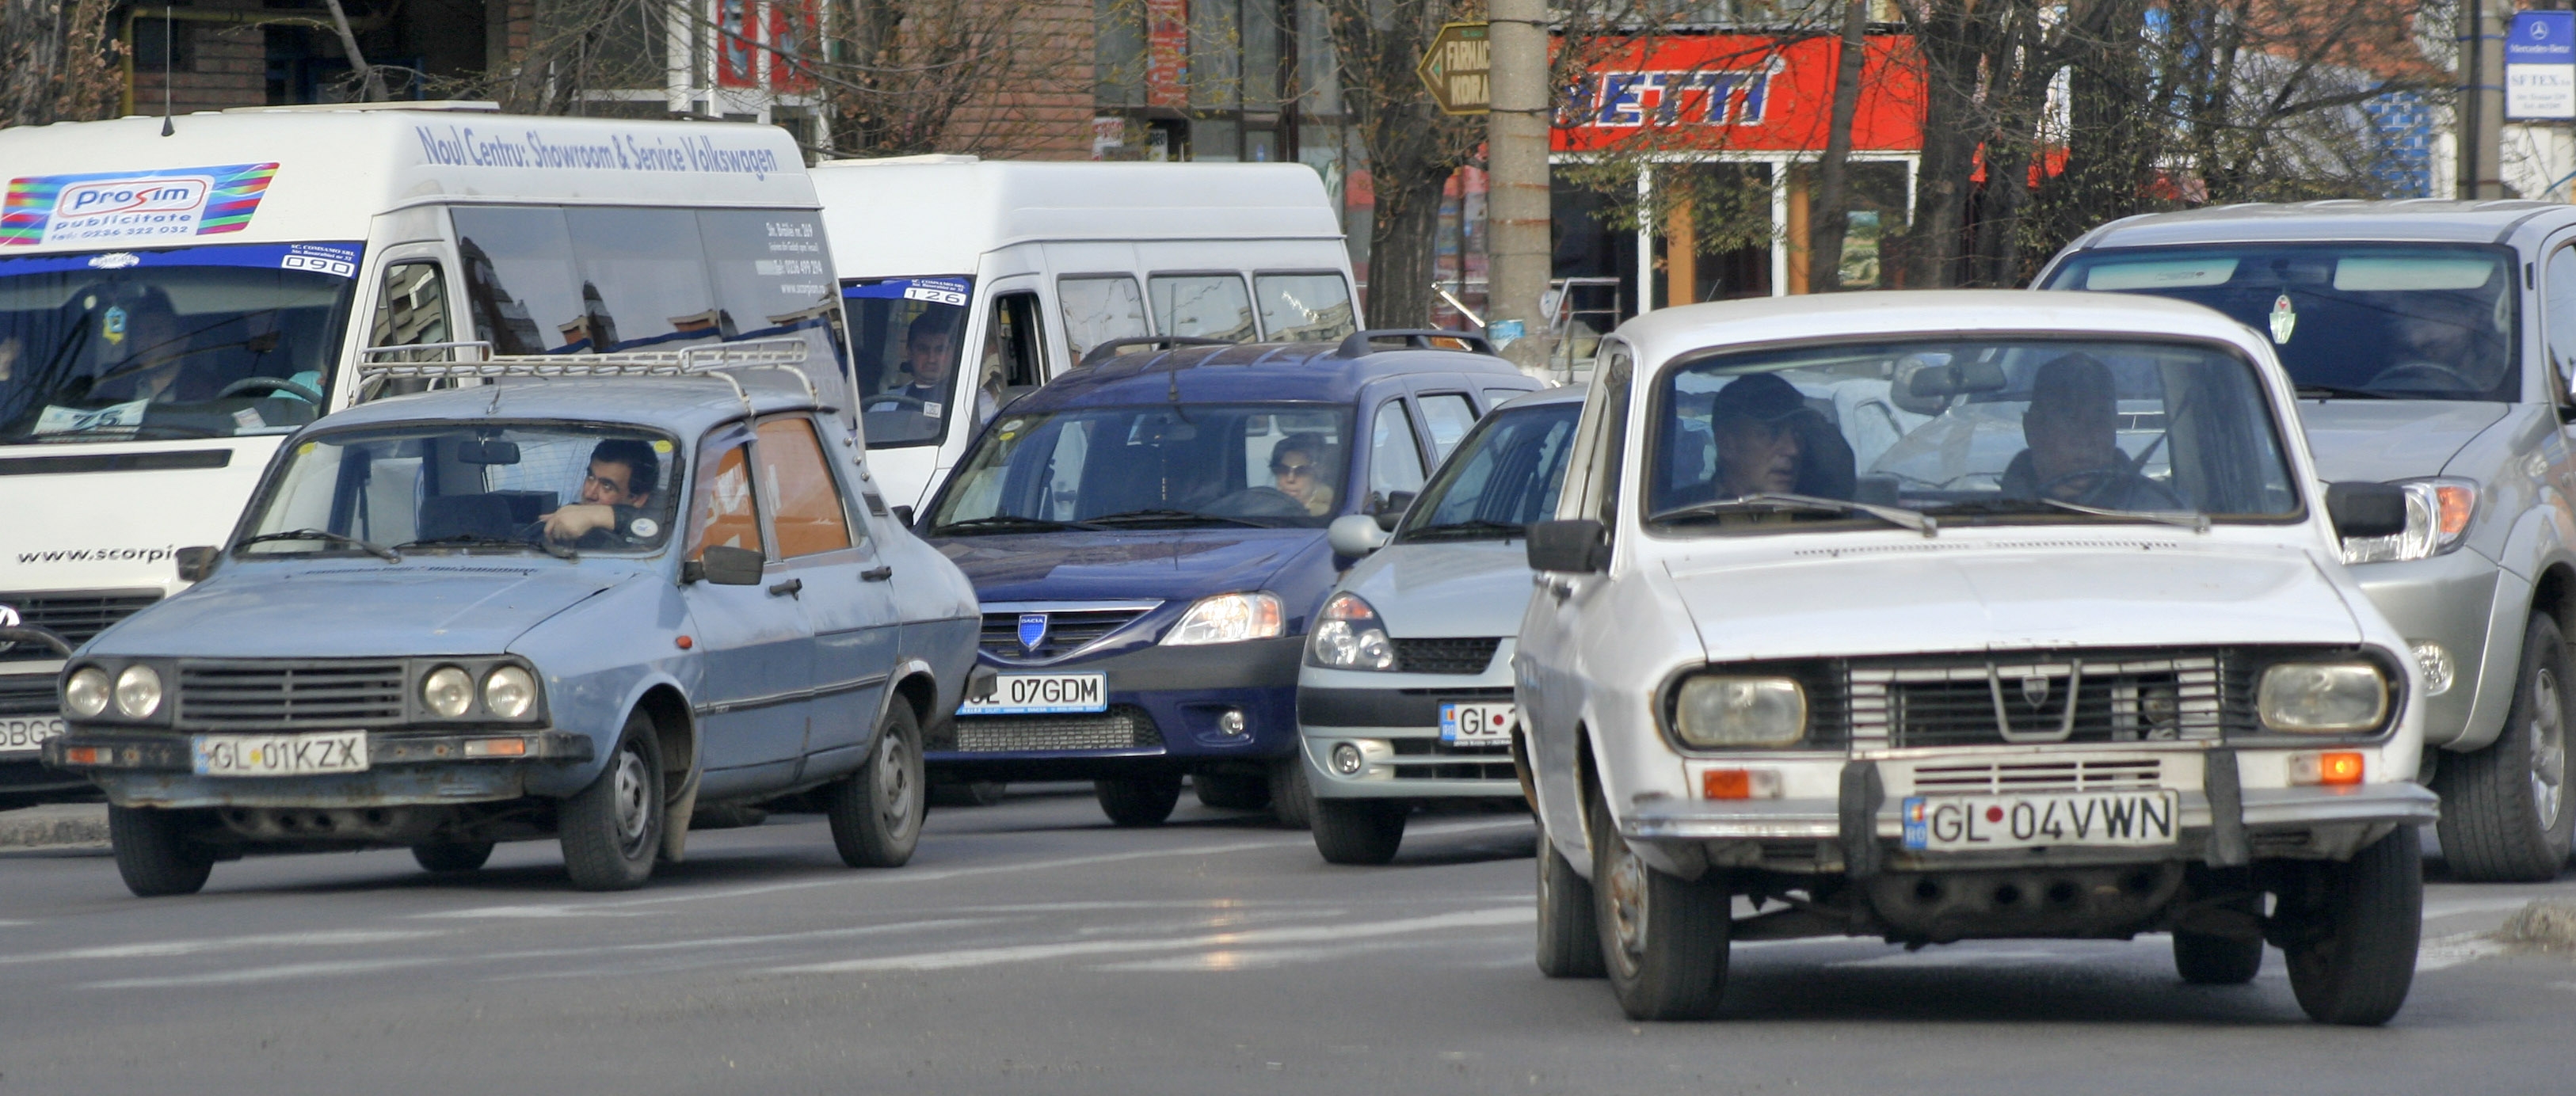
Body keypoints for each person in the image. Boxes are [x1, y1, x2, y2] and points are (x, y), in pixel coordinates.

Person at [2001, 352, 2183, 510]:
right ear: (2033, 429)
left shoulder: (2159, 515)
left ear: (2114, 426)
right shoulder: (1988, 513)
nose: (2087, 438)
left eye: (2099, 420)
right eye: (2070, 420)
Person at [1704, 372, 1855, 500]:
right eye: (1773, 433)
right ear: (1727, 444)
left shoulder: (1820, 516)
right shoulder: (1684, 518)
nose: (1793, 450)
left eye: (1798, 433)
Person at [867, 314, 996, 428]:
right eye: (923, 349)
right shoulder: (885, 404)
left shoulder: (976, 403)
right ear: (909, 352)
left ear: (953, 353)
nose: (932, 359)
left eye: (940, 350)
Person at [539, 438, 662, 547]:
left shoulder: (659, 539)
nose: (589, 493)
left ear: (637, 499)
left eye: (607, 486)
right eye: (591, 477)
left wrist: (597, 516)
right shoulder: (563, 517)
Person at [1270, 432, 1338, 517]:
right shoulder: (1262, 509)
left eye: (1301, 471)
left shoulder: (1330, 515)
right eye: (1283, 470)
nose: (1290, 479)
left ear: (1319, 473)